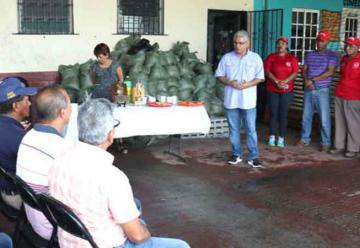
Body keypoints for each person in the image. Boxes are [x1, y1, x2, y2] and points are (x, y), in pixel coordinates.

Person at [48, 99, 191, 248]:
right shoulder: (112, 177)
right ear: (110, 135)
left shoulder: (59, 159)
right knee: (181, 245)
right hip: (106, 245)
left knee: (135, 204)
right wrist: (144, 232)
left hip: (68, 242)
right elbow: (138, 237)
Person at [16, 84, 72, 240]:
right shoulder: (63, 150)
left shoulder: (28, 137)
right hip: (54, 227)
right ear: (63, 112)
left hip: (35, 219)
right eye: (69, 104)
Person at [215, 30, 265, 168]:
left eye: (241, 43)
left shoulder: (255, 58)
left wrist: (248, 84)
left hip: (248, 101)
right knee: (234, 130)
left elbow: (260, 77)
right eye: (236, 43)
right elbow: (219, 75)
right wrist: (231, 83)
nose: (238, 46)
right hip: (231, 101)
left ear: (248, 43)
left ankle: (253, 157)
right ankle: (236, 155)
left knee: (251, 129)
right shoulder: (227, 58)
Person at [296, 31, 338, 152]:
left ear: (328, 41)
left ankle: (325, 143)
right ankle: (304, 139)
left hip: (322, 90)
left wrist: (313, 80)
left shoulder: (332, 55)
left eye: (323, 40)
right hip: (309, 89)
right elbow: (304, 69)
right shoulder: (309, 55)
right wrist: (306, 81)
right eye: (318, 40)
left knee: (324, 118)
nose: (320, 42)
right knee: (306, 116)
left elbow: (330, 71)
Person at [0, 77, 37, 210]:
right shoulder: (19, 138)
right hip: (16, 197)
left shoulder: (8, 127)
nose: (30, 103)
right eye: (26, 100)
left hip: (4, 188)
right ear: (15, 106)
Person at [91, 42, 128, 154]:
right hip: (98, 95)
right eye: (97, 56)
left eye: (100, 56)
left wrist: (118, 92)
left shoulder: (115, 65)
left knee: (116, 117)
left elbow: (121, 80)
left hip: (113, 95)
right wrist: (99, 87)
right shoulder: (95, 66)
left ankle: (120, 142)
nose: (98, 58)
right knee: (99, 118)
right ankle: (100, 142)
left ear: (107, 54)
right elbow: (93, 80)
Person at [264, 36, 299, 148]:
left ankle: (281, 138)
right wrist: (276, 81)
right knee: (273, 113)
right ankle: (272, 137)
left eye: (283, 43)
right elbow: (267, 71)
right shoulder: (271, 57)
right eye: (279, 43)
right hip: (272, 89)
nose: (281, 45)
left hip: (287, 90)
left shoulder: (291, 58)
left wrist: (285, 81)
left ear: (287, 45)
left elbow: (295, 72)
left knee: (283, 114)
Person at [330, 36, 360, 158]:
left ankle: (353, 148)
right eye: (347, 45)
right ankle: (339, 146)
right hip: (340, 93)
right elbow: (342, 74)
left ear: (357, 47)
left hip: (354, 95)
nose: (347, 48)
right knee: (339, 121)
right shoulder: (344, 59)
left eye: (351, 46)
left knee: (353, 122)